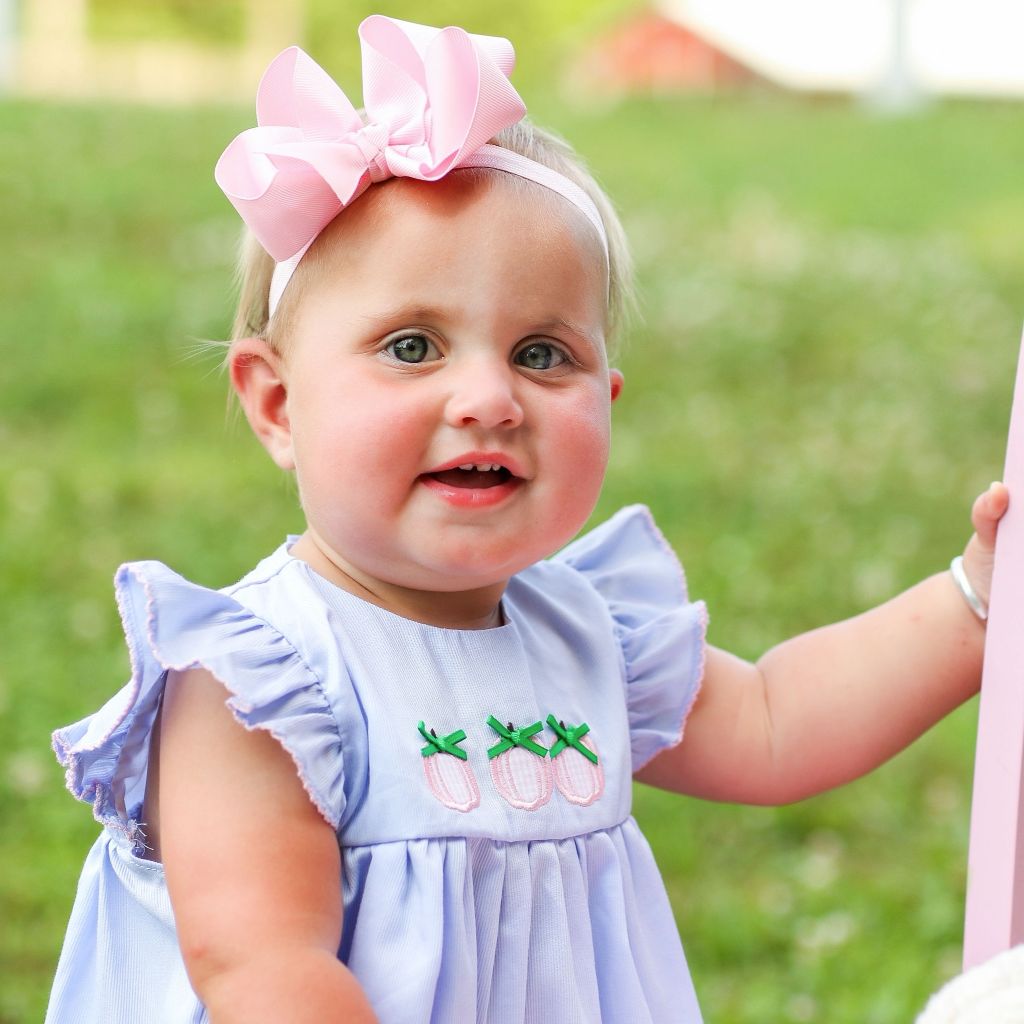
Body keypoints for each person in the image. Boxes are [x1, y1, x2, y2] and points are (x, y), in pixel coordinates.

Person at [46, 15, 1007, 1024]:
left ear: (609, 396)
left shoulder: (584, 631)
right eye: (413, 346)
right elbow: (266, 970)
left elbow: (776, 722)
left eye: (543, 354)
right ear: (278, 403)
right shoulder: (261, 682)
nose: (489, 398)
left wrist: (976, 598)